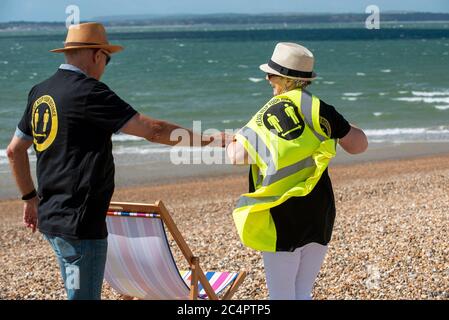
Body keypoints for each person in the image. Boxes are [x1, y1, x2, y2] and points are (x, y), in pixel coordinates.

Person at [6, 22, 223, 300]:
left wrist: (29, 198)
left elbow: (15, 150)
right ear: (97, 55)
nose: (105, 67)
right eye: (107, 60)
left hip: (52, 218)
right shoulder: (89, 92)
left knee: (76, 290)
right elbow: (153, 130)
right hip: (79, 223)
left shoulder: (40, 91)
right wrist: (208, 139)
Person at [226, 42, 368, 300]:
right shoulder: (321, 110)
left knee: (280, 295)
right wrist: (341, 124)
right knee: (302, 292)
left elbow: (235, 156)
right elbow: (359, 145)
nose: (267, 79)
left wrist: (238, 137)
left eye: (270, 74)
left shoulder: (272, 111)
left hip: (282, 214)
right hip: (319, 212)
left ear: (282, 78)